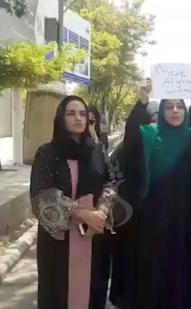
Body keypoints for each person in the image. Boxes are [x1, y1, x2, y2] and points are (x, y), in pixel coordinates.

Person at [128, 79, 191, 308]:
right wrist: (142, 100)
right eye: (169, 106)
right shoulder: (150, 134)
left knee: (186, 268)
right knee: (156, 269)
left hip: (187, 217)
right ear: (162, 111)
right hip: (156, 216)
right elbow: (131, 132)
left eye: (179, 106)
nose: (175, 111)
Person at [30, 95, 115, 309]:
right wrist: (81, 212)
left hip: (93, 233)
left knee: (91, 289)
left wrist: (101, 212)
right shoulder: (47, 153)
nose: (78, 118)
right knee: (59, 291)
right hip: (59, 239)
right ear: (61, 118)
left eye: (82, 114)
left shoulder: (97, 151)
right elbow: (42, 195)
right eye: (71, 113)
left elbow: (111, 183)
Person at [107, 80, 157, 308]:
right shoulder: (129, 146)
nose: (155, 125)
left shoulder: (163, 147)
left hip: (154, 216)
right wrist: (142, 101)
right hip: (130, 216)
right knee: (128, 262)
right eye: (152, 119)